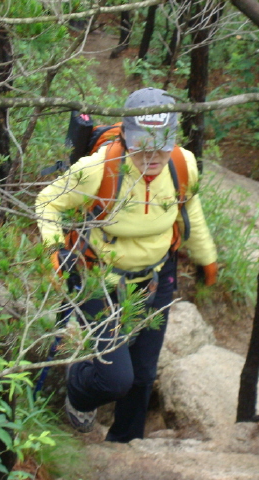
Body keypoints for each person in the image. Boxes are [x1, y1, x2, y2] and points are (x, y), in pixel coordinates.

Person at [35, 87, 218, 443]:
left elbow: (188, 210)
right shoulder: (98, 169)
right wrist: (54, 249)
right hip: (100, 279)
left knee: (143, 374)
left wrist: (205, 255)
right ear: (125, 136)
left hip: (155, 278)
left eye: (161, 145)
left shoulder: (183, 165)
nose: (152, 155)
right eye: (142, 145)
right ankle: (78, 390)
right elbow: (48, 202)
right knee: (114, 379)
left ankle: (126, 443)